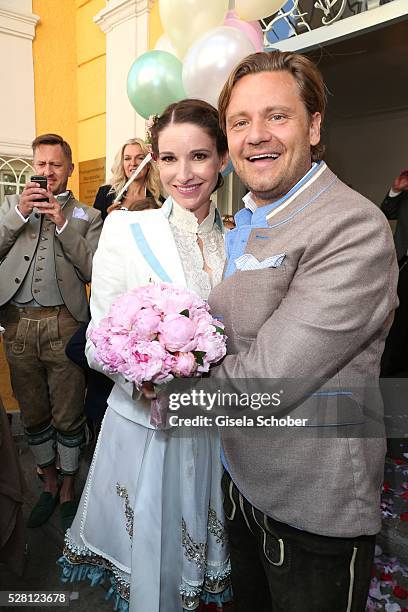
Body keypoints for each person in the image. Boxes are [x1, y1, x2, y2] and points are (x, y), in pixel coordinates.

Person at [202, 51, 398, 611]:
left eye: (277, 116)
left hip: (310, 507)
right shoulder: (251, 217)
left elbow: (267, 381)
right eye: (239, 122)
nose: (255, 136)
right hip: (241, 481)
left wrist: (174, 382)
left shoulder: (351, 226)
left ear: (313, 127)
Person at [59, 99, 232, 612]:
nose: (185, 174)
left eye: (199, 157)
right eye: (170, 159)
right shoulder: (127, 231)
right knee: (153, 575)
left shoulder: (242, 236)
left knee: (203, 570)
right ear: (154, 163)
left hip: (219, 434)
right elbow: (95, 341)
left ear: (222, 158)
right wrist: (140, 371)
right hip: (148, 430)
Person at [0, 133, 102, 531]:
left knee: (68, 411)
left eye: (55, 165)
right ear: (32, 167)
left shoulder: (87, 216)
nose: (47, 173)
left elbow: (94, 269)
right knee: (33, 409)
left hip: (65, 322)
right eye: (40, 165)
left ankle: (67, 486)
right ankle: (47, 480)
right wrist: (19, 216)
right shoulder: (10, 207)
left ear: (69, 169)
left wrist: (62, 225)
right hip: (17, 321)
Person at [93, 137, 162, 220]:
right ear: (122, 163)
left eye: (140, 158)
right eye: (127, 158)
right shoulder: (105, 194)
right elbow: (95, 230)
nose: (133, 163)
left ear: (148, 165)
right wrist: (109, 218)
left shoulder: (159, 201)